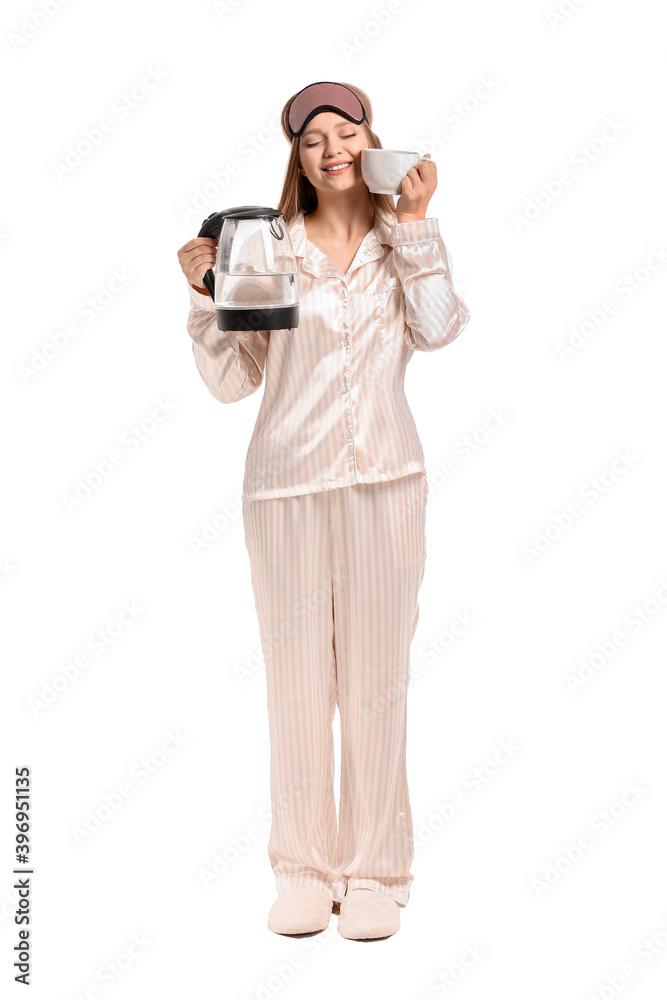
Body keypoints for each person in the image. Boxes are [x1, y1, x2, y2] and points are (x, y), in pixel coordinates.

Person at [177, 81, 470, 941]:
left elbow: (441, 325)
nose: (333, 146)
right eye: (314, 139)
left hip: (386, 485)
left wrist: (416, 224)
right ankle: (303, 869)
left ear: (372, 143)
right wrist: (206, 291)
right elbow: (233, 383)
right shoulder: (269, 249)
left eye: (348, 131)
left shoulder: (400, 244)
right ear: (298, 160)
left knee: (377, 684)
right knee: (297, 686)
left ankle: (377, 873)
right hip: (283, 491)